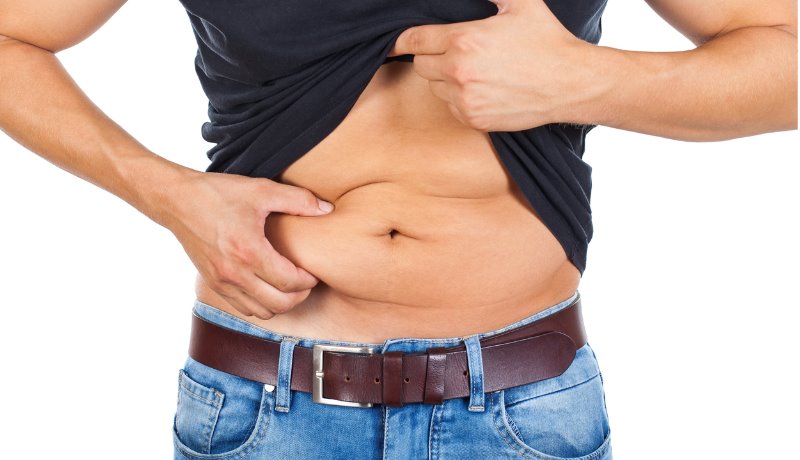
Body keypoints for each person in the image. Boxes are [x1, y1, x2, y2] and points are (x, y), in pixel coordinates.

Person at [0, 0, 795, 459]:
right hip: (269, 404)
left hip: (519, 405)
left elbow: (785, 58)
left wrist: (593, 78)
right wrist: (167, 194)